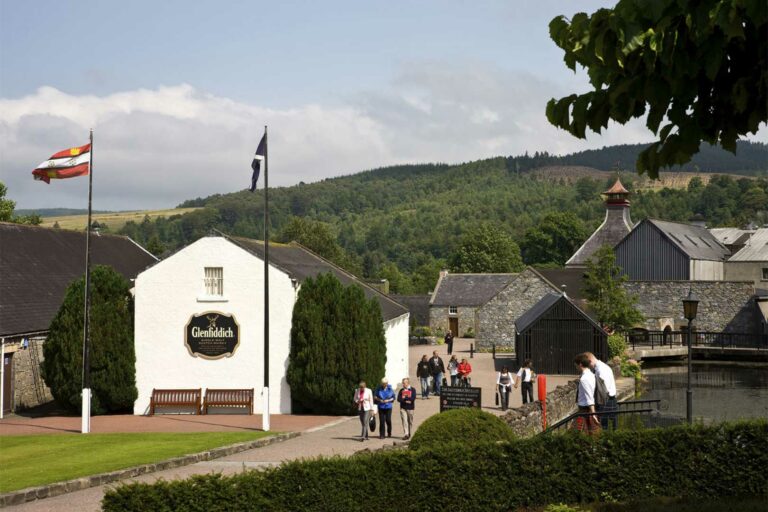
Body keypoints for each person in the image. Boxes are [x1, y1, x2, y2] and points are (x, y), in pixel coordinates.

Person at [586, 352, 618, 430]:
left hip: (606, 401)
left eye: (587, 365)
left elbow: (604, 390)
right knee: (608, 428)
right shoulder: (601, 367)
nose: (588, 367)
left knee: (605, 429)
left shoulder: (601, 370)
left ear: (590, 361)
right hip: (608, 400)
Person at [573, 353, 600, 435]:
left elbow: (589, 397)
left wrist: (593, 414)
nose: (576, 368)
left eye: (576, 365)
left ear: (580, 364)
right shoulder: (591, 375)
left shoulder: (584, 378)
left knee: (581, 435)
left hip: (584, 410)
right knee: (591, 434)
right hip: (587, 409)